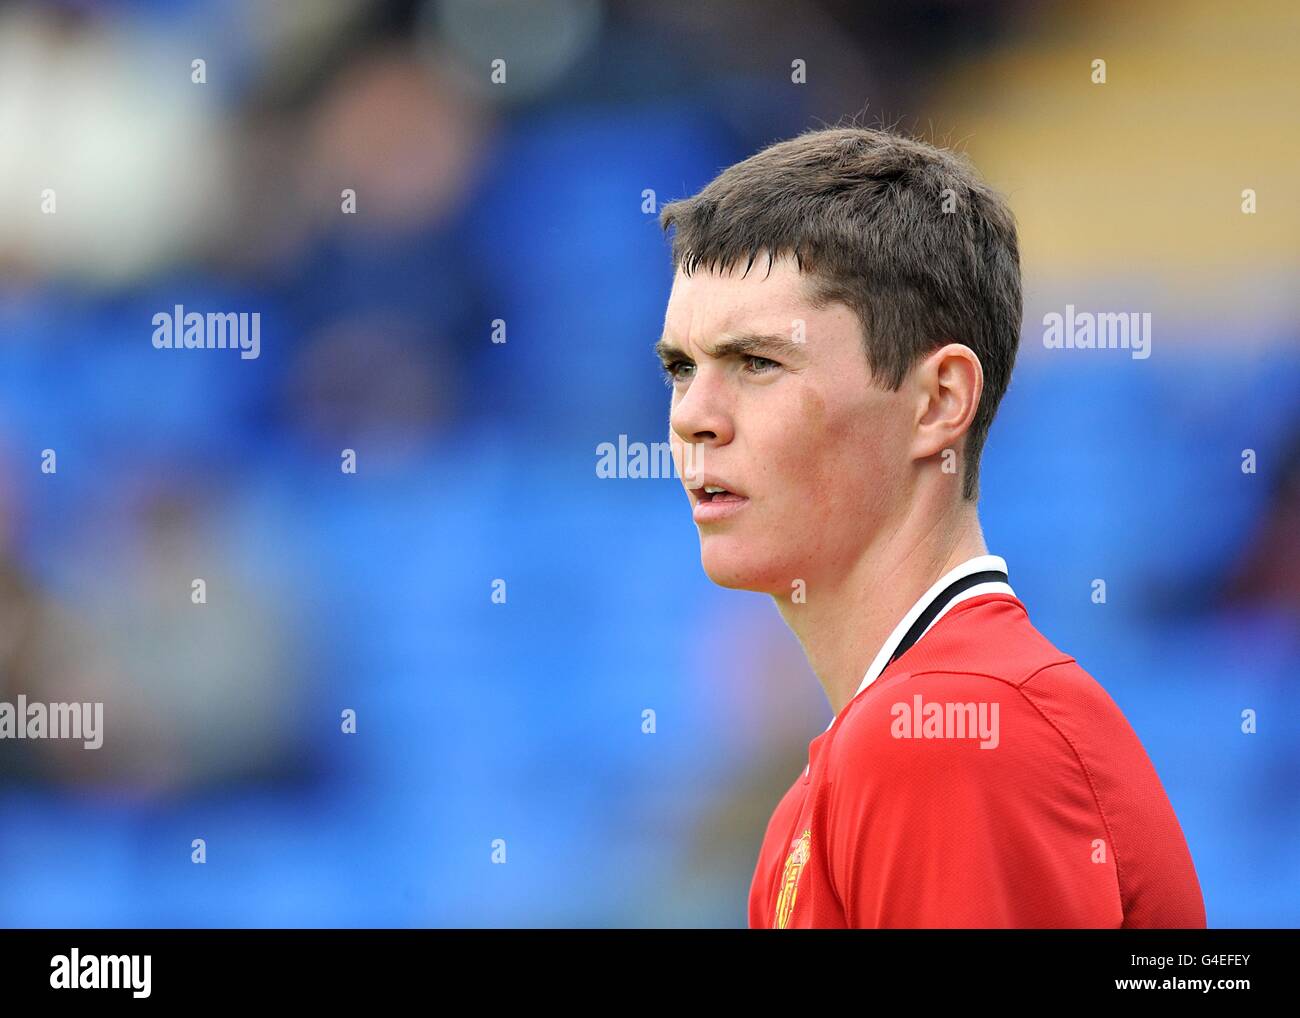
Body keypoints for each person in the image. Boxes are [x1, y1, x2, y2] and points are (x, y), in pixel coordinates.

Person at [655, 125, 1206, 928]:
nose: (693, 417)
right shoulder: (862, 765)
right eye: (680, 368)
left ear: (940, 401)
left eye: (757, 363)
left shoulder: (947, 737)